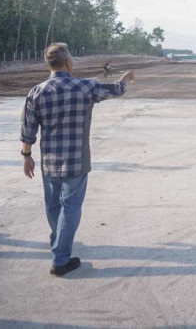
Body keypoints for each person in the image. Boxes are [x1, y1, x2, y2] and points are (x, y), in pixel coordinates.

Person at [20, 43, 134, 276]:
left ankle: (59, 243)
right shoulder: (85, 86)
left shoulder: (36, 91)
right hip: (76, 161)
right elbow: (115, 90)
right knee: (70, 207)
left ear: (48, 64)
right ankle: (60, 259)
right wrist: (124, 79)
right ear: (69, 63)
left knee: (53, 206)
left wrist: (26, 156)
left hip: (49, 161)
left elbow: (28, 129)